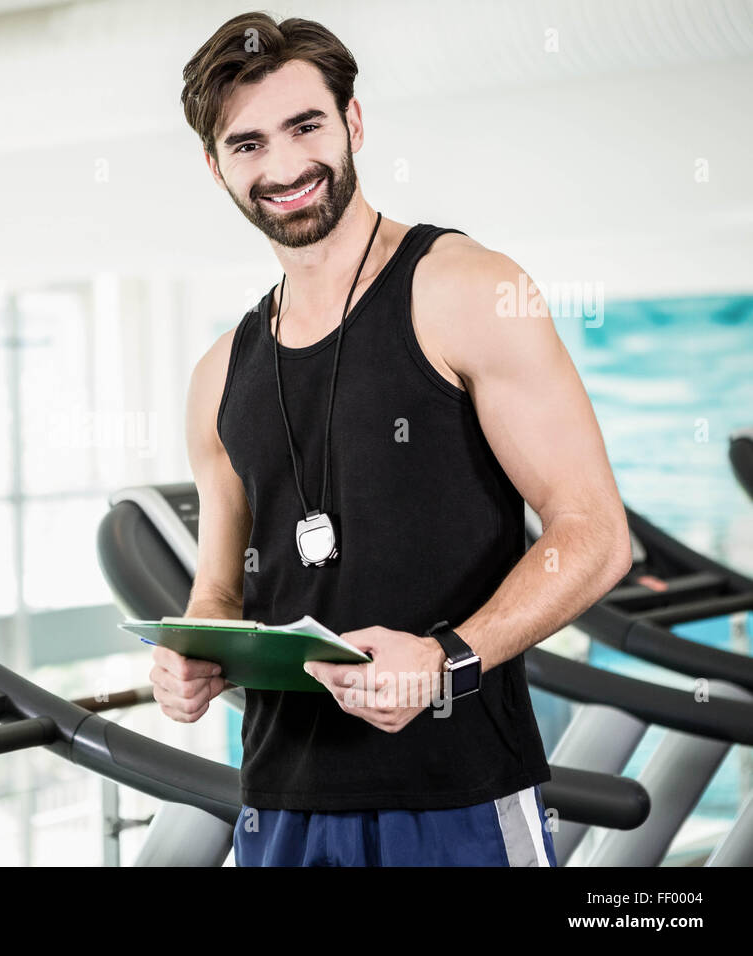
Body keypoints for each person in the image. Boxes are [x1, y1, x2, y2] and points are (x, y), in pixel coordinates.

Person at [151, 12, 632, 866]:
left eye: (306, 126)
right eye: (249, 143)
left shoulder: (466, 289)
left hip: (460, 794)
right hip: (279, 804)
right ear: (215, 165)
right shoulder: (218, 374)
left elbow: (594, 534)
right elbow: (219, 596)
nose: (286, 166)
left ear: (354, 123)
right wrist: (189, 659)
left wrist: (449, 659)